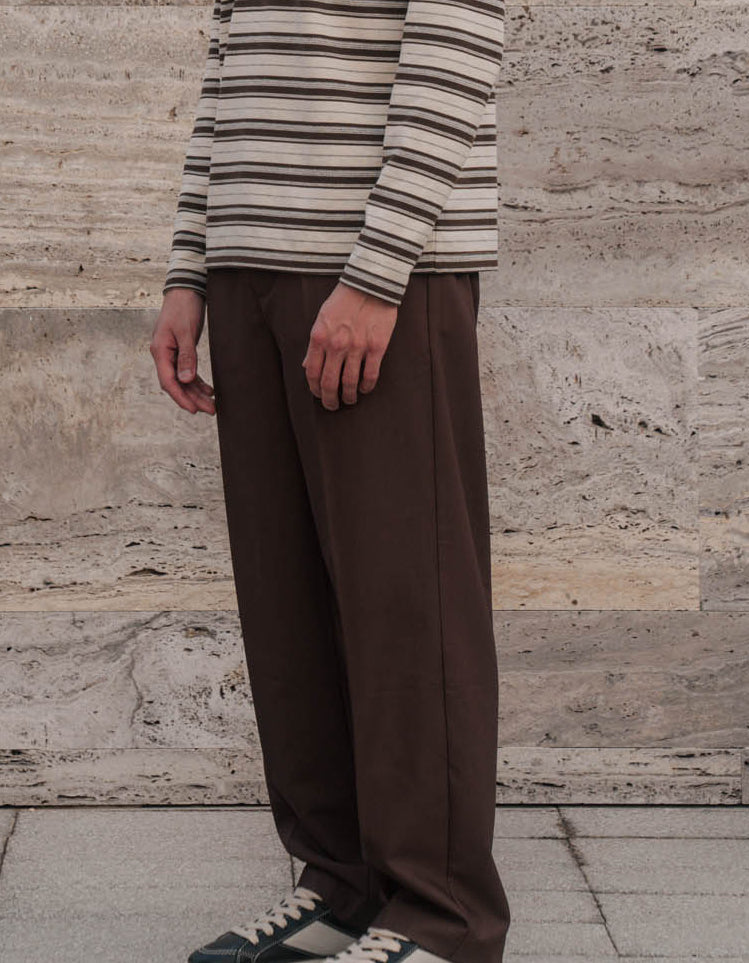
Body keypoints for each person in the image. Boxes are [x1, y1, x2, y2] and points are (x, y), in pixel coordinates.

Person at [149, 2, 512, 963]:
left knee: (408, 603)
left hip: (372, 279)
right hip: (248, 266)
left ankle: (444, 917)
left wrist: (377, 271)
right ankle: (342, 886)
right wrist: (190, 269)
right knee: (288, 605)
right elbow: (227, 70)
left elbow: (455, 48)